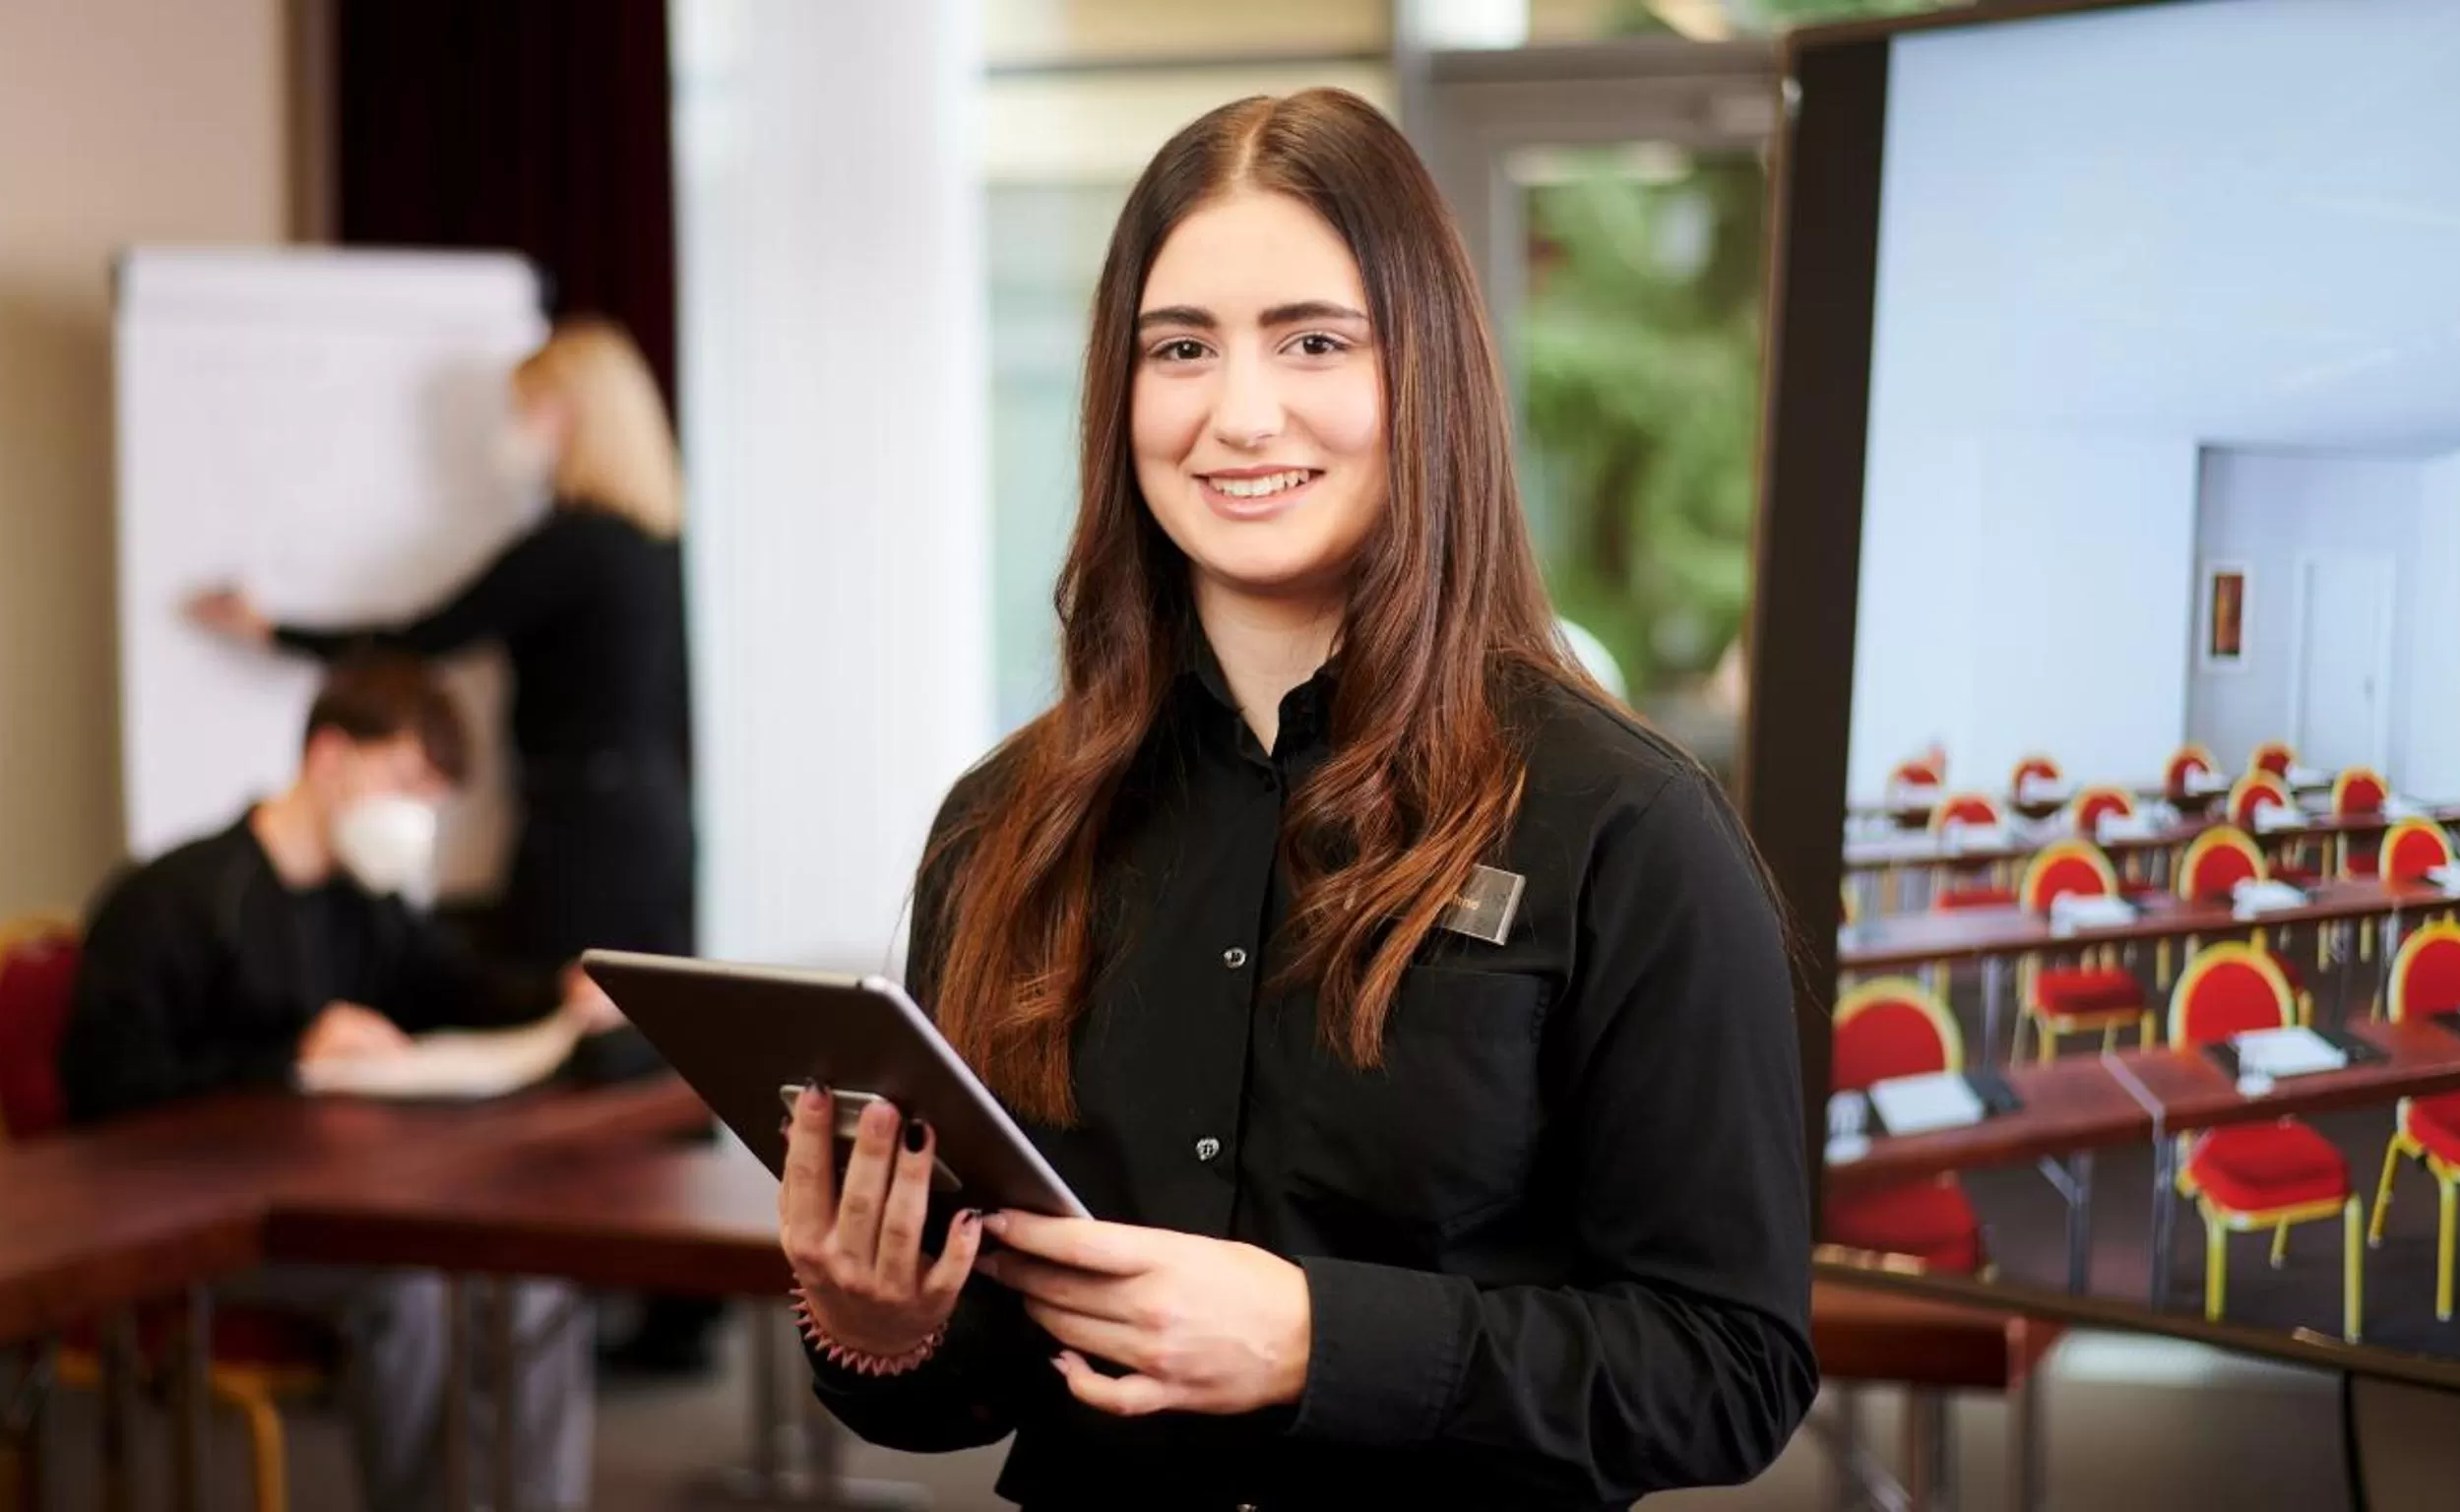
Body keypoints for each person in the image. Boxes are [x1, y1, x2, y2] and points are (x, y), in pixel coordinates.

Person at [773, 89, 1816, 1511]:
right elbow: (985, 1373)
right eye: (1181, 348)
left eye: (1314, 341)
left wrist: (1322, 1342)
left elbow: (1732, 1365)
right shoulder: (1003, 824)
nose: (1237, 413)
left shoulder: (1625, 827)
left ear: (1426, 375)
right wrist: (881, 1330)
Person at [189, 314, 719, 1371]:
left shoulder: (574, 544)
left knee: (575, 1036)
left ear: (572, 415)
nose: (516, 430)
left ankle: (574, 1302)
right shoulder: (652, 542)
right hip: (650, 820)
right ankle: (661, 1306)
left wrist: (276, 631)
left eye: (530, 408)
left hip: (586, 833)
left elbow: (429, 632)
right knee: (637, 1036)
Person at [59, 652, 615, 1511]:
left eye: (431, 797)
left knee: (535, 1272)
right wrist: (289, 1063)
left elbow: (456, 983)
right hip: (212, 1222)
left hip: (334, 1202)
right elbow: (107, 1094)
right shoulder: (171, 901)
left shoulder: (367, 903)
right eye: (404, 781)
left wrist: (562, 988)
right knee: (416, 1287)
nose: (416, 815)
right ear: (328, 756)